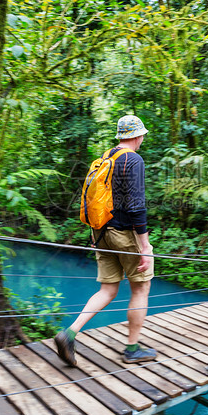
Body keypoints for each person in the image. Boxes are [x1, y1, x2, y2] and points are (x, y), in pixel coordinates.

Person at [54, 115, 157, 366]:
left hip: (100, 233)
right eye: (142, 135)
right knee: (140, 288)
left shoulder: (104, 159)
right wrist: (144, 246)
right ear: (137, 136)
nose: (142, 139)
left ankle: (70, 333)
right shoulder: (133, 159)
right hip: (125, 235)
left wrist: (96, 235)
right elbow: (136, 205)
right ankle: (132, 349)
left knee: (108, 289)